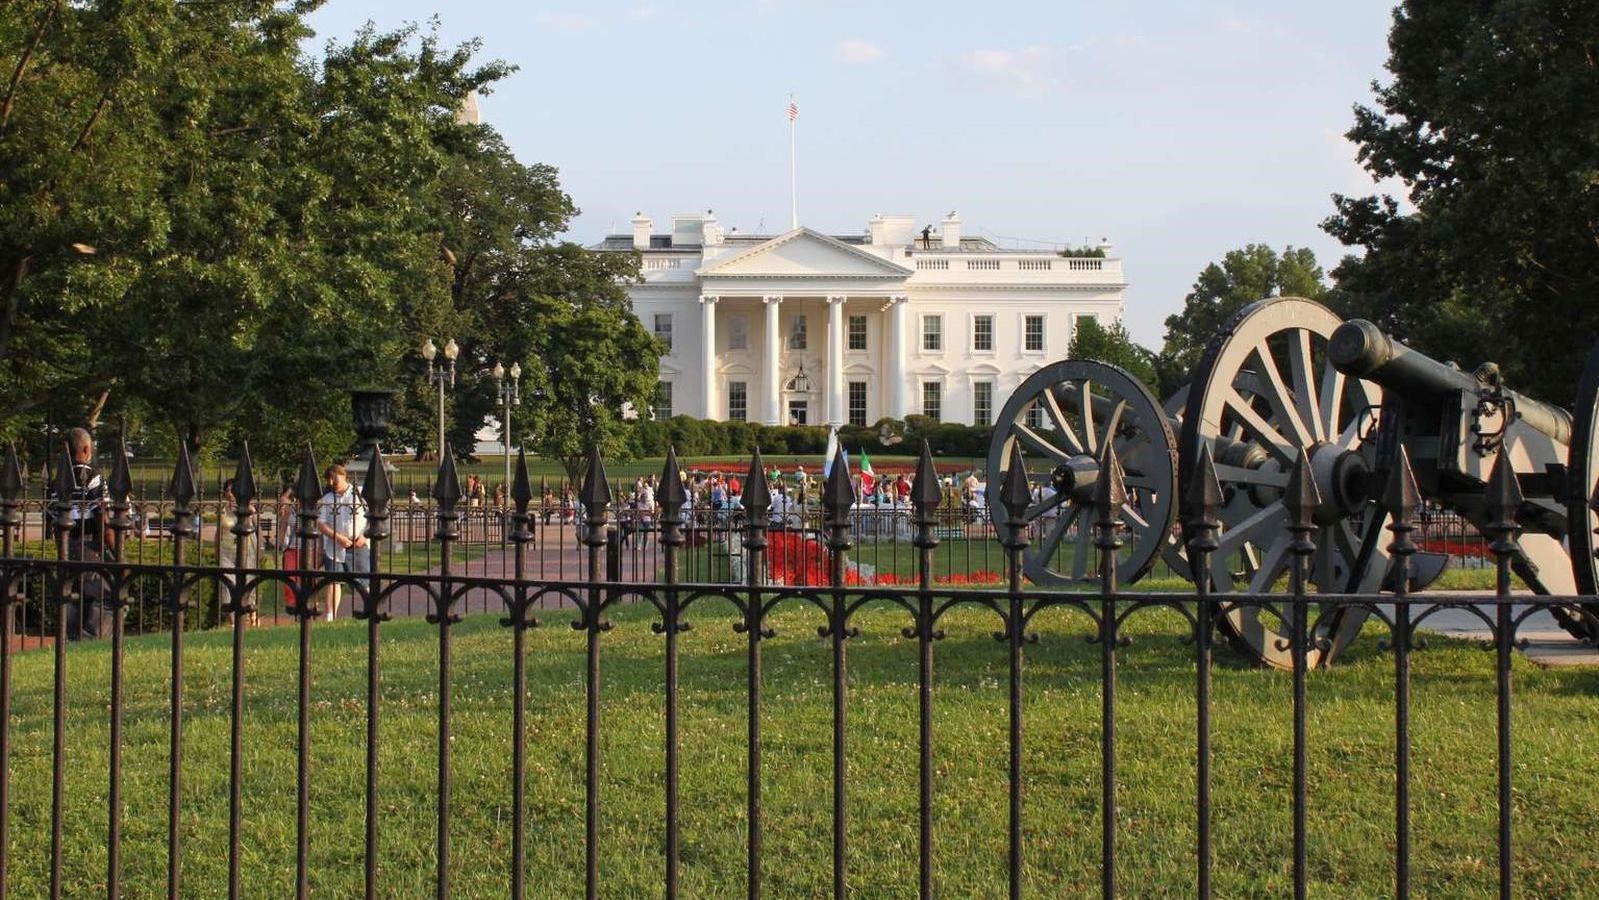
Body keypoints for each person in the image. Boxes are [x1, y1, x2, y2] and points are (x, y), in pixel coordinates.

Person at [46, 427, 114, 639]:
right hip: (89, 545)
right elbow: (102, 518)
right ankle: (92, 639)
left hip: (66, 545)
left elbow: (52, 520)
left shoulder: (56, 483)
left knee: (73, 595)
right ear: (86, 448)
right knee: (109, 592)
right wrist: (118, 552)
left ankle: (71, 639)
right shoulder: (92, 477)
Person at [315, 463, 368, 622]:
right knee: (333, 581)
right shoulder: (327, 498)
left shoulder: (359, 494)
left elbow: (375, 516)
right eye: (329, 480)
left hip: (359, 544)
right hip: (334, 547)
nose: (331, 484)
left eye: (334, 480)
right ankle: (330, 616)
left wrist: (365, 536)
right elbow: (321, 524)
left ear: (343, 475)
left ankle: (369, 611)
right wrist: (338, 537)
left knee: (364, 581)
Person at [217, 478, 260, 626]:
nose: (231, 494)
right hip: (227, 553)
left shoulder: (249, 509)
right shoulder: (222, 511)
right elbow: (218, 533)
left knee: (248, 584)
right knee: (227, 586)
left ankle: (252, 618)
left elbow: (256, 531)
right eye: (228, 491)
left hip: (247, 551)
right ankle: (234, 624)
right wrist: (217, 551)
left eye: (233, 491)